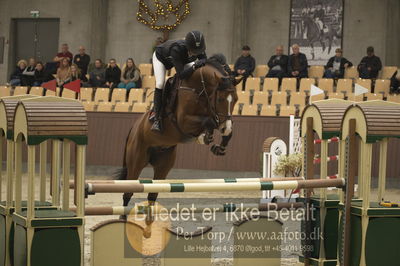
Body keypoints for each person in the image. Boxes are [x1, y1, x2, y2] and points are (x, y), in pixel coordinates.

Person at [150, 30, 207, 132]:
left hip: (182, 60)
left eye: (198, 51)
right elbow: (181, 75)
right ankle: (157, 118)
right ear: (188, 46)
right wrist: (194, 66)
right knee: (160, 83)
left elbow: (204, 61)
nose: (196, 53)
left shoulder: (199, 48)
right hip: (161, 58)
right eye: (194, 50)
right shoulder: (177, 49)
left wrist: (203, 62)